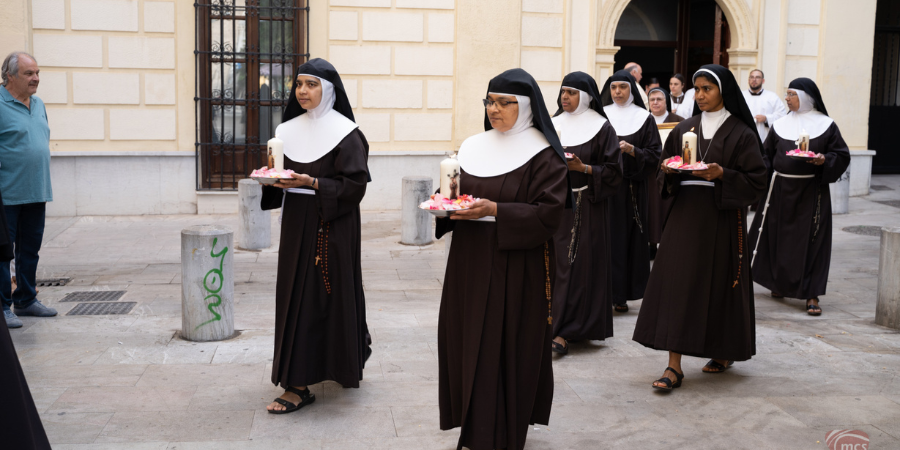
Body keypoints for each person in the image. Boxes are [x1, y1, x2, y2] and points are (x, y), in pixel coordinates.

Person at [435, 68, 569, 450]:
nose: (494, 109)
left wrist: (496, 209)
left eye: (503, 102)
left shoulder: (543, 153)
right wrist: (446, 202)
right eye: (489, 102)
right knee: (465, 340)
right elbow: (454, 192)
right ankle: (475, 428)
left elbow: (550, 213)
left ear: (524, 106)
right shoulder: (473, 146)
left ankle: (504, 432)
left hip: (516, 267)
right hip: (469, 264)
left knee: (504, 346)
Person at [633, 64, 767, 391]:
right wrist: (668, 170)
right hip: (685, 216)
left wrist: (724, 175)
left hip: (722, 217)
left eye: (708, 88)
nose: (702, 95)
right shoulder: (684, 128)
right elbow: (665, 171)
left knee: (720, 284)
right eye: (699, 89)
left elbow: (757, 181)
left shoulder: (742, 133)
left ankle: (722, 351)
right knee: (677, 284)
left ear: (724, 91)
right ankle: (673, 365)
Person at [259, 58, 372, 413]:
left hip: (333, 225)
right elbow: (280, 180)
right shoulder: (287, 130)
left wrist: (313, 183)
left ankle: (335, 364)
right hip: (297, 221)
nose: (303, 91)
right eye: (299, 85)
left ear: (329, 90)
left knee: (329, 294)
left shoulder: (346, 132)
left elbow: (355, 185)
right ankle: (299, 381)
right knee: (297, 296)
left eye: (312, 85)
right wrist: (275, 180)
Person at [748, 78, 850, 316]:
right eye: (786, 94)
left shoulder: (826, 124)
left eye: (791, 94)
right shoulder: (781, 124)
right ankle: (778, 283)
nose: (787, 98)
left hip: (811, 191)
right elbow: (765, 155)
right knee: (778, 239)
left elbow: (841, 155)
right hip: (780, 189)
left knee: (812, 241)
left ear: (805, 97)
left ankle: (811, 294)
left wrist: (824, 160)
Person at [549, 72, 623, 355]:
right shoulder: (552, 125)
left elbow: (615, 172)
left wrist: (584, 169)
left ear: (587, 97)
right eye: (563, 92)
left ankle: (566, 330)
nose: (564, 98)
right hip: (556, 206)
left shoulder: (602, 128)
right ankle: (552, 323)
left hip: (586, 205)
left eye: (571, 93)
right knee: (557, 267)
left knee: (577, 268)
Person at [0, 52, 56, 329]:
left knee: (30, 250)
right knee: (2, 252)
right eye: (28, 74)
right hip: (6, 194)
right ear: (9, 77)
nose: (35, 79)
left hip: (36, 189)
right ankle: (2, 306)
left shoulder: (39, 103)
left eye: (37, 73)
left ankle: (26, 299)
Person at [600, 69, 662, 313]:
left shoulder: (644, 118)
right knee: (605, 239)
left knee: (626, 240)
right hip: (605, 189)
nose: (617, 92)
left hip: (632, 190)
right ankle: (604, 292)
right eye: (614, 88)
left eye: (622, 88)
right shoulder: (601, 116)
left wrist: (633, 150)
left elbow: (655, 154)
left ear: (632, 90)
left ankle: (622, 294)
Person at [646, 88, 683, 256]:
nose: (655, 102)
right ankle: (651, 245)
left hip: (672, 174)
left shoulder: (679, 121)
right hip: (649, 173)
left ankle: (669, 245)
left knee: (669, 209)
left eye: (659, 99)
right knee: (652, 210)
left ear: (666, 101)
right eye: (652, 99)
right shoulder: (643, 120)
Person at [742, 69, 787, 143]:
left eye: (757, 77)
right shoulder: (741, 96)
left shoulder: (772, 97)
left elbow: (782, 116)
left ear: (763, 81)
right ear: (748, 80)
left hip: (765, 138)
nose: (754, 79)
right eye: (752, 77)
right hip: (744, 137)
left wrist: (766, 118)